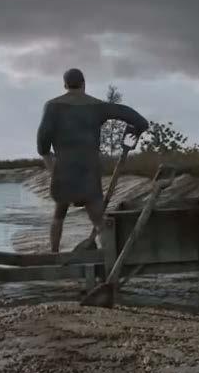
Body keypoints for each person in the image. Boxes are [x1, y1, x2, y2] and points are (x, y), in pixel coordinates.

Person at [36, 68, 148, 253]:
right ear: (84, 84)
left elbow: (42, 147)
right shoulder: (98, 107)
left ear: (65, 85)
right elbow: (140, 121)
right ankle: (109, 259)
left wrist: (54, 171)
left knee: (58, 216)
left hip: (64, 171)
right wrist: (132, 134)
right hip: (88, 172)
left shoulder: (52, 106)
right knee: (99, 221)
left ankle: (54, 255)